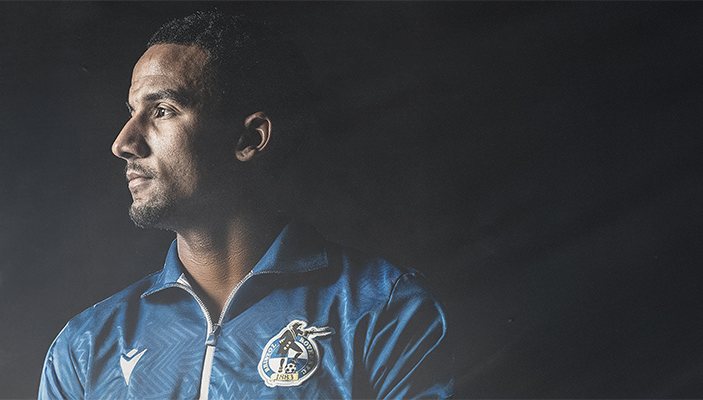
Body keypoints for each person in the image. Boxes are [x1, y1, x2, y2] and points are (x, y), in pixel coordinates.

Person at [39, 11, 453, 399]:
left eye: (162, 110)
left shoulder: (385, 312)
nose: (124, 143)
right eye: (133, 112)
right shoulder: (85, 345)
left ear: (251, 138)